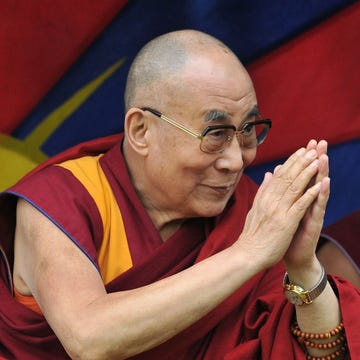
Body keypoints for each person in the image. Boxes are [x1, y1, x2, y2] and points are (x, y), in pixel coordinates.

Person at [0, 29, 359, 360]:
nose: (236, 161)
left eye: (248, 129)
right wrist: (248, 253)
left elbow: (321, 353)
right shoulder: (62, 200)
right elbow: (88, 337)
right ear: (141, 130)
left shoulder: (245, 212)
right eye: (216, 133)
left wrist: (303, 267)